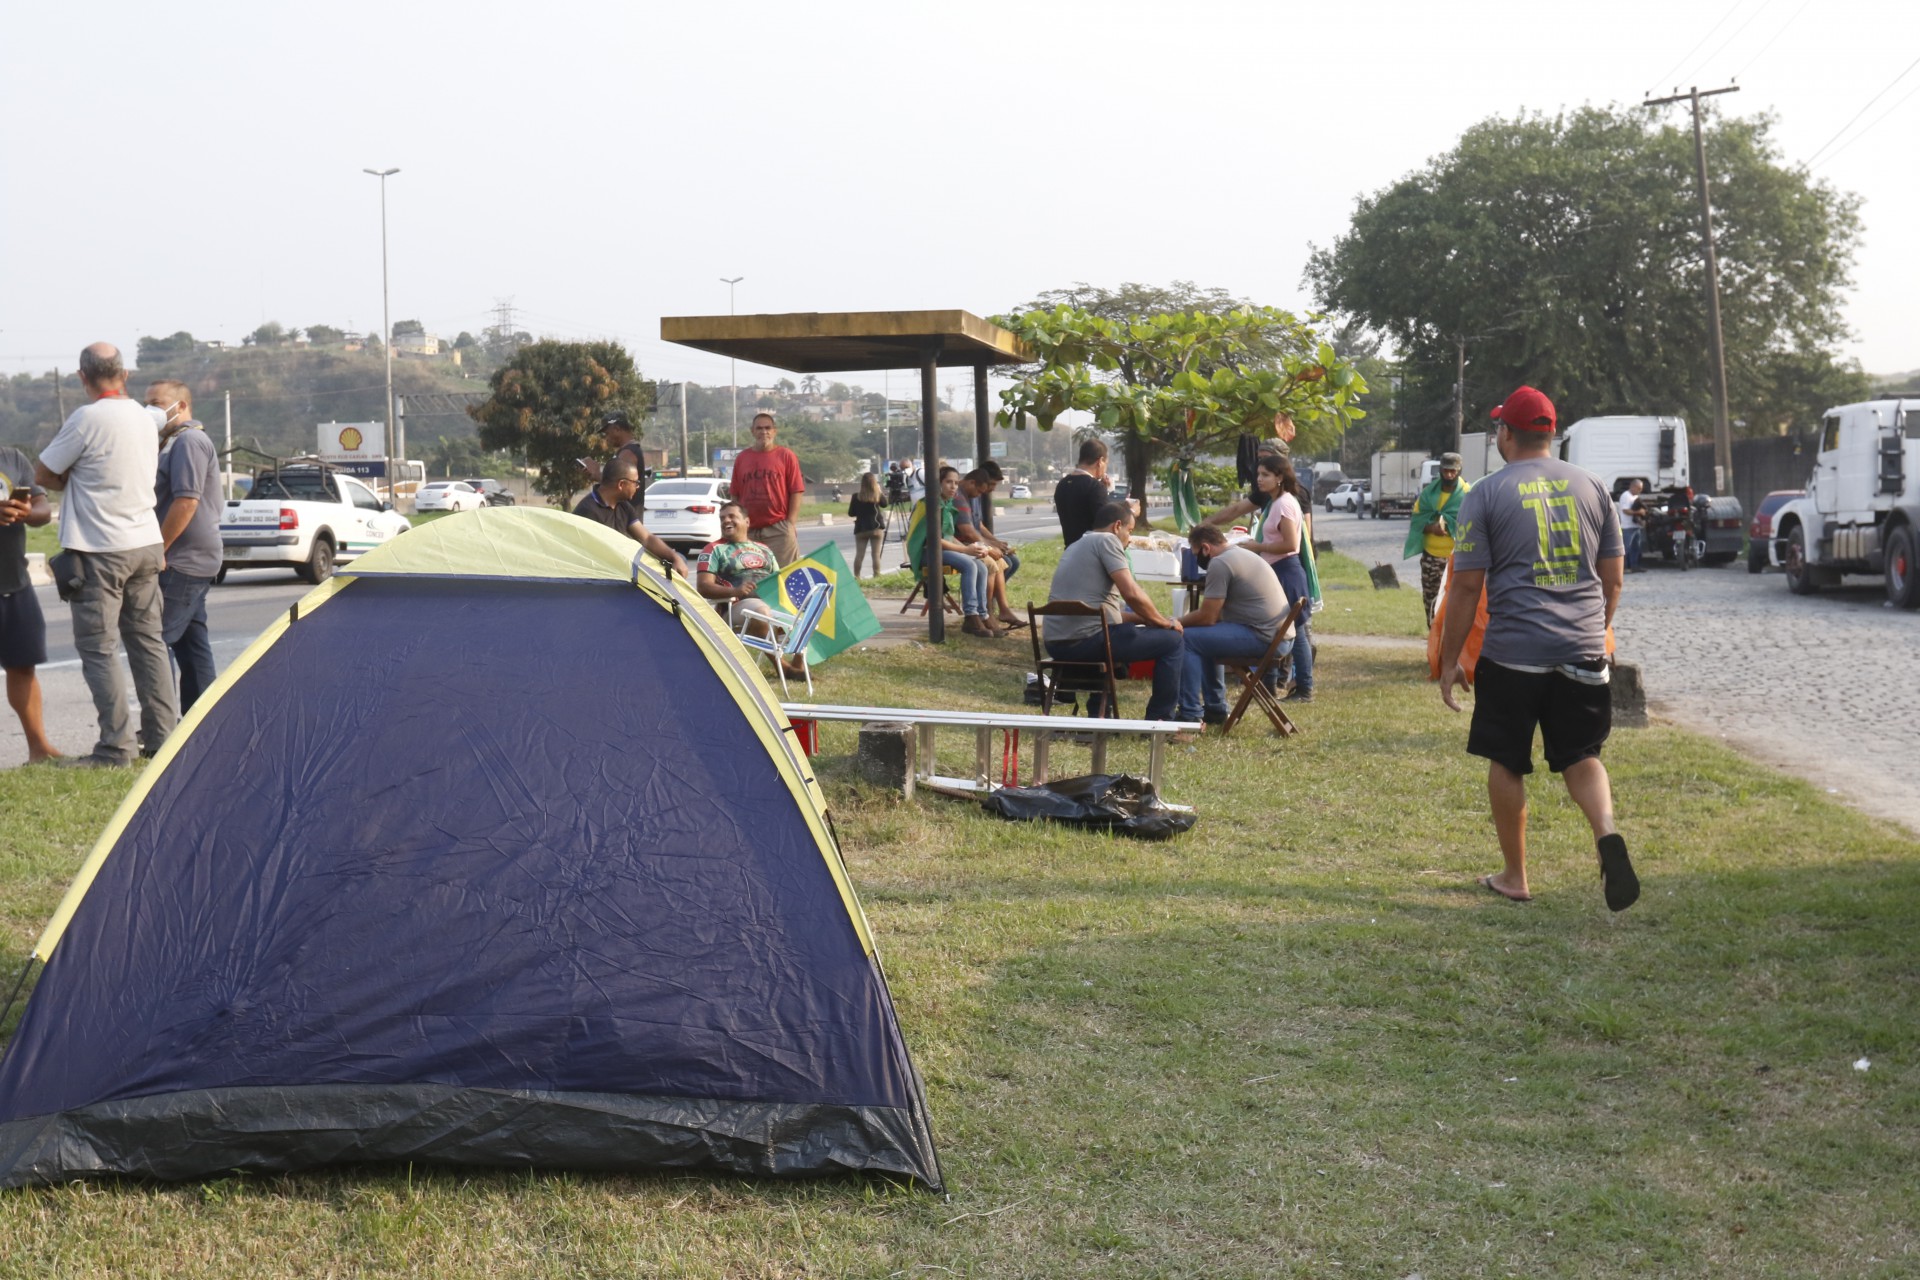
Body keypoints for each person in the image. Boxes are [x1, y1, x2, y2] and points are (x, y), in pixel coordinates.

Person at [1439, 385, 1637, 912]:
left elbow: (1464, 587)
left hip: (1512, 653)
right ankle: (1606, 832)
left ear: (1506, 434)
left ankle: (1515, 875)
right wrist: (1595, 631)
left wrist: (1450, 658)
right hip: (1583, 647)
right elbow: (1613, 579)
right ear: (1551, 433)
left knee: (1507, 759)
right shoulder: (1594, 487)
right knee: (1581, 756)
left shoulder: (1483, 493)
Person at [34, 342, 178, 767]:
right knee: (148, 643)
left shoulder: (86, 418)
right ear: (125, 374)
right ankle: (163, 738)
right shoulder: (144, 417)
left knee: (99, 649)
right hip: (145, 541)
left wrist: (75, 476)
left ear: (82, 377)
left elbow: (44, 473)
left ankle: (116, 747)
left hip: (100, 549)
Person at [1043, 500, 1186, 721]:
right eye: (1129, 531)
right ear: (1117, 526)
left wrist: (1146, 619)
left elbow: (1106, 613)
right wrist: (1162, 622)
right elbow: (1131, 592)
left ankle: (1099, 714)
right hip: (1086, 642)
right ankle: (1161, 719)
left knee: (1119, 632)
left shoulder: (1077, 544)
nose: (1129, 539)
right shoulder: (1108, 541)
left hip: (1056, 643)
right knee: (1172, 641)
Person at [148, 379, 221, 712]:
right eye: (146, 402)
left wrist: (159, 549)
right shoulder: (171, 442)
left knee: (154, 643)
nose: (150, 409)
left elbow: (187, 502)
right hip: (190, 558)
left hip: (182, 559)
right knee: (192, 646)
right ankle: (199, 721)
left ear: (181, 406)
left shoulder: (189, 441)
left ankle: (159, 729)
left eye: (157, 402)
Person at [1174, 523, 1291, 726]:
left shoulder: (1220, 563)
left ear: (1205, 548)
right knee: (1204, 639)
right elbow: (1213, 618)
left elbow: (1208, 616)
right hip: (1280, 637)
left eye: (1195, 553)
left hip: (1265, 637)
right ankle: (1216, 709)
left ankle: (1190, 713)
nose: (1197, 559)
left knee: (1188, 639)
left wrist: (1176, 622)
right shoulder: (1242, 554)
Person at [1235, 455, 1316, 703]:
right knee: (1279, 629)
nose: (1259, 479)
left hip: (1286, 571)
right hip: (1278, 570)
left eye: (1265, 475)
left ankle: (1303, 688)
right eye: (1258, 474)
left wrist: (1258, 547)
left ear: (1279, 478)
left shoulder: (1283, 504)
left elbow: (1291, 544)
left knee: (1297, 631)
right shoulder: (1276, 502)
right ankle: (1270, 684)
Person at [0, 445, 59, 763]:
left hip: (14, 582)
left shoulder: (11, 458)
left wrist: (26, 513)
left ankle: (39, 748)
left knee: (22, 666)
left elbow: (42, 509)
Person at [911, 466, 1004, 638]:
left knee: (981, 566)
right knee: (970, 565)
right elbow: (934, 539)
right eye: (948, 482)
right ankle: (971, 615)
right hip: (926, 553)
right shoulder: (929, 505)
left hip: (942, 550)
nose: (953, 486)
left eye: (955, 482)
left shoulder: (946, 503)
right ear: (937, 483)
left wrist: (973, 549)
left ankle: (982, 614)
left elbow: (949, 535)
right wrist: (965, 549)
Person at [570, 456, 689, 576]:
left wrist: (675, 558)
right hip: (602, 576)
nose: (637, 487)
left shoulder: (623, 506)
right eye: (636, 483)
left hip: (622, 570)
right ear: (621, 484)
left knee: (681, 559)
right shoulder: (588, 511)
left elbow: (646, 538)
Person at [1404, 451, 1472, 627]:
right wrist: (1432, 528)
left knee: (1458, 604)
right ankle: (1434, 645)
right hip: (1431, 558)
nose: (1449, 475)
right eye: (1446, 471)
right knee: (1431, 602)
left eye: (1453, 471)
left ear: (1459, 471)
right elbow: (1417, 522)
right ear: (1440, 470)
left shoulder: (1468, 494)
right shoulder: (1428, 494)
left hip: (1459, 559)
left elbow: (1475, 524)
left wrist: (1452, 527)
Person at [953, 465, 1025, 629]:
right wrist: (990, 547)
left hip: (967, 543)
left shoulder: (970, 495)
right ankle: (983, 611)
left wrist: (995, 543)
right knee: (992, 564)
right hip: (960, 544)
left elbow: (977, 525)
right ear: (972, 483)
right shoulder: (959, 497)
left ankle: (992, 608)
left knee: (1006, 562)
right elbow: (968, 531)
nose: (986, 492)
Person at [730, 412, 805, 566]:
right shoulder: (742, 458)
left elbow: (796, 491)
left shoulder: (786, 456)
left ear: (774, 431)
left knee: (785, 576)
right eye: (759, 428)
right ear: (752, 431)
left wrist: (790, 524)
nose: (764, 432)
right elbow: (735, 495)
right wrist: (739, 524)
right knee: (752, 579)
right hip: (749, 530)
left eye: (767, 428)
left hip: (778, 529)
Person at [1054, 438, 1111, 547]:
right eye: (1106, 463)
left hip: (1070, 551)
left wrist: (1103, 489)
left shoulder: (1062, 484)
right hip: (1090, 553)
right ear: (1100, 461)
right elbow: (1106, 523)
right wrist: (1130, 511)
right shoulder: (1094, 487)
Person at [848, 472, 887, 579]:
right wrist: (879, 491)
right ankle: (877, 575)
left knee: (859, 555)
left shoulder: (856, 496)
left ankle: (857, 577)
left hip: (861, 528)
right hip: (876, 527)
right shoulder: (877, 495)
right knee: (875, 554)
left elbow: (851, 513)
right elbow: (885, 504)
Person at [1618, 479, 1646, 573]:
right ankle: (1624, 568)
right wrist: (1638, 512)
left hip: (1635, 526)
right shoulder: (1626, 496)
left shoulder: (1635, 497)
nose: (1640, 491)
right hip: (1627, 527)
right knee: (1626, 548)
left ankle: (1635, 566)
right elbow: (1625, 510)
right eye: (1638, 488)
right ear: (1632, 486)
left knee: (1636, 547)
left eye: (1640, 489)